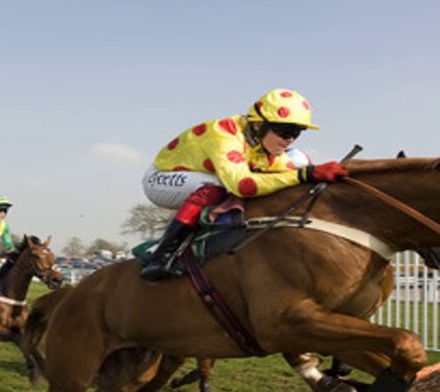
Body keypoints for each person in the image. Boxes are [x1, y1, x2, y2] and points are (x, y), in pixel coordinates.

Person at [138, 88, 348, 281]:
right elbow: (242, 185)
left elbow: (294, 173)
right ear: (258, 124)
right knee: (216, 187)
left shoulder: (263, 145)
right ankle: (161, 256)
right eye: (285, 131)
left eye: (297, 132)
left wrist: (316, 173)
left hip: (201, 175)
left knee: (288, 169)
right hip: (161, 177)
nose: (290, 139)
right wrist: (304, 175)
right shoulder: (223, 134)